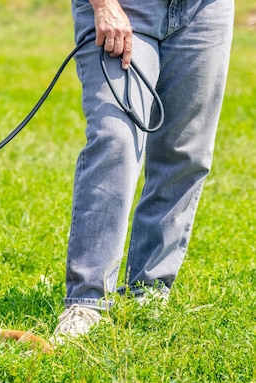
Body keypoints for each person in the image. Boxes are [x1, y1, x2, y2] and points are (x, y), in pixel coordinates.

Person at [53, 0, 234, 341]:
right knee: (116, 139)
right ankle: (88, 300)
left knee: (186, 152)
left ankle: (147, 292)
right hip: (125, 6)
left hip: (204, 10)